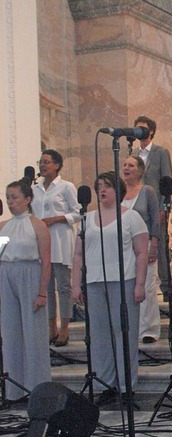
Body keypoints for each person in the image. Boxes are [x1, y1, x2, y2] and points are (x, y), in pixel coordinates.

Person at [71, 171, 148, 406]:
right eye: (99, 186)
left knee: (123, 333)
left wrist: (140, 284)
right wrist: (76, 284)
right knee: (100, 337)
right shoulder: (87, 219)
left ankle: (126, 387)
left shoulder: (131, 217)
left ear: (118, 190)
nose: (102, 190)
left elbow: (141, 252)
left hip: (123, 281)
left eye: (107, 186)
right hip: (95, 282)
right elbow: (78, 254)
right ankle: (105, 384)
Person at [0, 180, 51, 401]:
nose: (11, 202)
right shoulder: (4, 226)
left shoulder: (37, 225)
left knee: (33, 333)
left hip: (29, 274)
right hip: (6, 275)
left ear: (28, 199)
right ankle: (15, 388)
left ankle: (37, 387)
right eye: (8, 197)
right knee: (11, 332)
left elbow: (46, 261)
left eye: (15, 197)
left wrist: (42, 292)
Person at [32, 149, 81, 347]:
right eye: (40, 162)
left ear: (57, 165)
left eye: (46, 162)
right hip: (41, 242)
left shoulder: (66, 187)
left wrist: (57, 218)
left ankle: (65, 328)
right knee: (47, 287)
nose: (42, 166)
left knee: (63, 286)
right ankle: (51, 326)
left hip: (60, 240)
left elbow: (78, 212)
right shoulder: (34, 189)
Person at [122, 156, 161, 343]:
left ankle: (149, 329)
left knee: (147, 286)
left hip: (144, 245)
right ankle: (131, 327)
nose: (126, 168)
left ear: (140, 170)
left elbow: (155, 219)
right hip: (124, 246)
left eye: (131, 165)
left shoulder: (147, 191)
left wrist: (154, 245)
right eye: (124, 165)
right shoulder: (119, 192)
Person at [134, 115, 172, 302]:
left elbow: (167, 181)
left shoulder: (160, 152)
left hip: (156, 206)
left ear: (151, 131)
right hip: (137, 208)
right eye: (136, 129)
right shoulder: (132, 155)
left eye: (142, 128)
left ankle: (166, 288)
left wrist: (164, 207)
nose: (139, 132)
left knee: (161, 247)